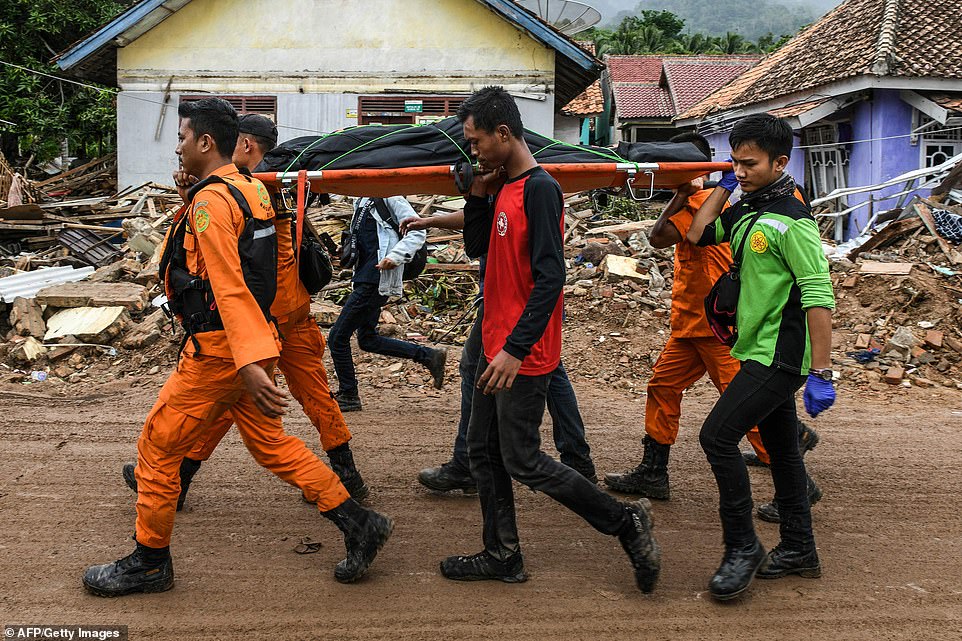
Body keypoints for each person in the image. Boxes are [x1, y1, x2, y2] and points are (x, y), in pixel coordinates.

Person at [82, 99, 392, 597]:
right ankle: (360, 523)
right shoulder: (248, 188)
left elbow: (228, 285)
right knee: (272, 444)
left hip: (221, 352)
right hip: (256, 341)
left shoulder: (213, 203)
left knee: (157, 450)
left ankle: (149, 562)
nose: (178, 146)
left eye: (182, 137)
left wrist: (247, 360)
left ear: (206, 143)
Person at [438, 86, 660, 593]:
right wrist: (475, 193)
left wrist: (516, 349)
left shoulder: (540, 189)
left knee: (522, 459)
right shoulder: (503, 188)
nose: (472, 151)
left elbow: (550, 277)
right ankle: (502, 554)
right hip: (493, 340)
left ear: (503, 133)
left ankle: (626, 522)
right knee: (482, 451)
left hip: (522, 350)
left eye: (475, 142)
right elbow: (479, 248)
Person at [120, 114, 368, 507]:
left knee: (225, 410)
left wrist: (197, 194)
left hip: (258, 321)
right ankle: (347, 477)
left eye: (234, 142)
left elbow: (225, 258)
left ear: (247, 146)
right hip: (291, 313)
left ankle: (176, 480)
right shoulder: (267, 187)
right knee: (312, 399)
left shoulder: (248, 188)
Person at [604, 132, 820, 514]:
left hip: (716, 328)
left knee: (751, 415)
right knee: (663, 386)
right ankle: (654, 470)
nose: (740, 171)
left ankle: (799, 485)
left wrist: (686, 192)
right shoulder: (711, 199)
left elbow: (659, 237)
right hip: (689, 326)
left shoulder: (702, 200)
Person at [685, 113, 836, 601]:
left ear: (781, 162)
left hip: (781, 357)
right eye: (736, 163)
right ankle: (799, 548)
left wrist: (822, 371)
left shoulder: (793, 221)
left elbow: (818, 294)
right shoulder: (748, 210)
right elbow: (696, 233)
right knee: (784, 452)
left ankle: (743, 546)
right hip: (754, 348)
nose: (742, 171)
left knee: (717, 437)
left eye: (749, 164)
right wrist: (725, 185)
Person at [400, 211, 597, 492]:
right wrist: (431, 221)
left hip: (513, 302)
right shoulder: (514, 186)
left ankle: (470, 463)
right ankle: (577, 463)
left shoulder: (519, 185)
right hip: (509, 299)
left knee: (482, 369)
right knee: (547, 371)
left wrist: (432, 221)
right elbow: (482, 218)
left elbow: (547, 269)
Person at [328, 195, 446, 411]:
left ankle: (349, 395)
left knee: (337, 337)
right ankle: (429, 356)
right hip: (364, 277)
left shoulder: (391, 196)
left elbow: (417, 231)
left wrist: (396, 256)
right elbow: (366, 242)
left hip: (375, 281)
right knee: (368, 340)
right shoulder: (361, 201)